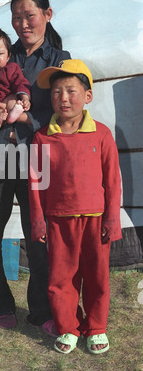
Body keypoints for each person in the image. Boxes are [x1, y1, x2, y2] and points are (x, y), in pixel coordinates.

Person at [0, 0, 71, 332]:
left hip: (36, 155)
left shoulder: (59, 59)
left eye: (30, 15)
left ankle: (41, 308)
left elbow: (63, 110)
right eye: (16, 17)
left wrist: (26, 118)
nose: (23, 23)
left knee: (39, 234)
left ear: (47, 15)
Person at [29, 59, 122, 354]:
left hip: (96, 220)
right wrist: (38, 221)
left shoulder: (102, 134)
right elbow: (35, 183)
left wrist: (112, 219)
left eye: (71, 90)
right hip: (58, 220)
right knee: (61, 277)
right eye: (56, 92)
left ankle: (95, 327)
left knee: (97, 275)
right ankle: (68, 326)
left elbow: (113, 181)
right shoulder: (42, 137)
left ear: (88, 96)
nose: (63, 98)